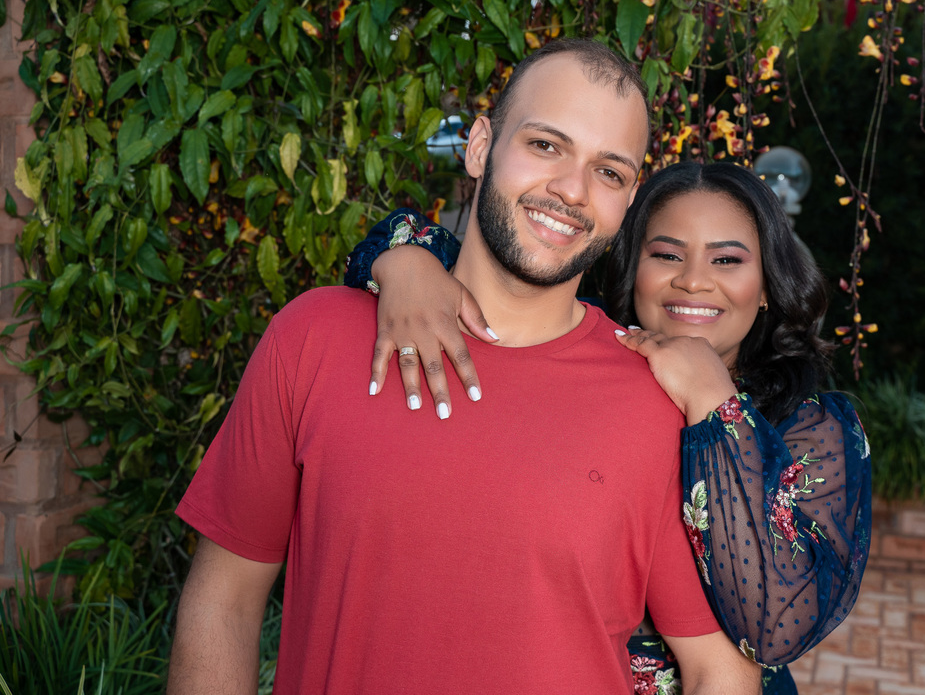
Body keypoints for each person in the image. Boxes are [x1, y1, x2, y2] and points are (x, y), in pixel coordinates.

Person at [168, 39, 761, 695]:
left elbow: (723, 671)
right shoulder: (313, 339)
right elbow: (224, 600)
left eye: (609, 172)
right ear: (480, 146)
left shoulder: (656, 403)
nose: (570, 189)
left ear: (627, 203)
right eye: (545, 145)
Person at [346, 162, 872, 694]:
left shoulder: (811, 430)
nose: (692, 279)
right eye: (666, 254)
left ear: (766, 286)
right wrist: (408, 265)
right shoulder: (579, 352)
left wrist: (714, 404)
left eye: (727, 259)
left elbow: (778, 626)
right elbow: (430, 248)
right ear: (631, 267)